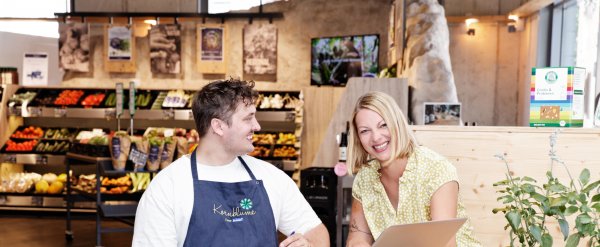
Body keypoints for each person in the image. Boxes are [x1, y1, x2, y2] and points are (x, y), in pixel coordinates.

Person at [133, 79, 329, 247]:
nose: (257, 126)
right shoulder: (167, 187)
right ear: (218, 126)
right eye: (248, 118)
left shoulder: (271, 177)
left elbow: (318, 233)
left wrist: (309, 244)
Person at [345, 91, 481, 247]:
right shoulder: (365, 178)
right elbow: (358, 236)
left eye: (383, 125)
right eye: (365, 131)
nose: (376, 137)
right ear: (358, 138)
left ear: (397, 124)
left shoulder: (435, 169)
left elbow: (445, 244)